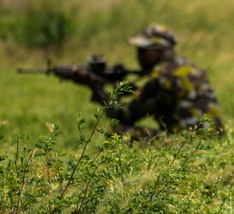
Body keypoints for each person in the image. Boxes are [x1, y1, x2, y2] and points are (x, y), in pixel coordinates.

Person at [74, 23, 225, 140]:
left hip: (190, 144)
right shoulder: (188, 67)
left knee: (119, 132)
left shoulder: (162, 78)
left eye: (143, 51)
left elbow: (126, 115)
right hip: (214, 137)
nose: (139, 57)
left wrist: (97, 89)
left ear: (158, 51)